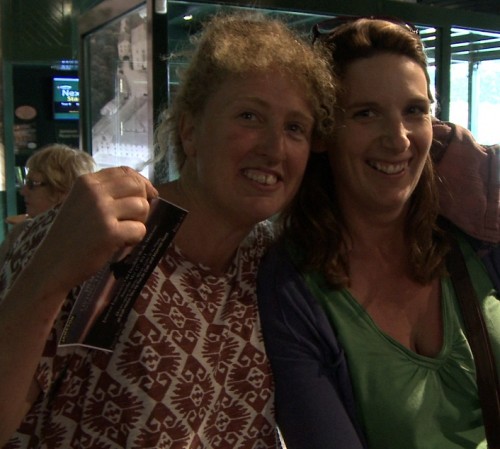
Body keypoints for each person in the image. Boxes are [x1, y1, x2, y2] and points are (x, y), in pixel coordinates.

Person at [0, 12, 336, 448]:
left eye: (295, 128)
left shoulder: (272, 266)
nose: (274, 148)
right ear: (190, 130)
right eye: (249, 116)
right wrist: (48, 273)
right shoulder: (100, 234)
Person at [258, 17, 500, 449]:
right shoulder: (293, 286)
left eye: (414, 110)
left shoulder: (477, 236)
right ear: (324, 133)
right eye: (366, 113)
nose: (399, 139)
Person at [0, 144, 96, 267]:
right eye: (25, 182)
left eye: (32, 184)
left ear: (63, 190)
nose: (23, 192)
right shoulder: (21, 232)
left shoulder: (91, 241)